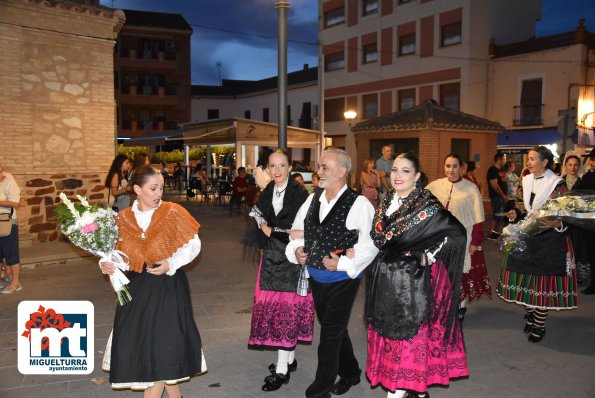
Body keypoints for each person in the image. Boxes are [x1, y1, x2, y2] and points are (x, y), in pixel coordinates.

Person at [365, 153, 468, 398]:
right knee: (394, 338)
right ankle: (419, 392)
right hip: (387, 278)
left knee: (410, 341)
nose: (398, 176)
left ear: (417, 176)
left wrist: (428, 255)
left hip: (415, 282)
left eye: (405, 171)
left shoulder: (426, 204)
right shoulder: (388, 199)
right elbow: (378, 238)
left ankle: (403, 389)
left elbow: (455, 233)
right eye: (394, 171)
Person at [99, 166, 205, 396]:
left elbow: (194, 245)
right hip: (136, 291)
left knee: (162, 349)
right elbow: (116, 256)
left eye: (161, 188)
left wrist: (171, 263)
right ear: (137, 189)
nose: (159, 193)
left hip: (168, 289)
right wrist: (106, 264)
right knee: (153, 351)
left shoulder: (173, 211)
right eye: (153, 188)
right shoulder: (122, 219)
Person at [286, 148, 379, 398]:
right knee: (334, 328)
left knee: (329, 333)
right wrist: (297, 250)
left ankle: (320, 390)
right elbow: (297, 230)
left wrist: (342, 265)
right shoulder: (312, 198)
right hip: (317, 276)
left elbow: (371, 244)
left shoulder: (359, 204)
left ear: (342, 171)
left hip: (343, 280)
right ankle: (350, 372)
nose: (319, 171)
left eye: (325, 167)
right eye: (319, 166)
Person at [498, 146, 578, 343]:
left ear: (545, 162)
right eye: (530, 159)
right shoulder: (524, 181)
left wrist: (559, 223)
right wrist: (514, 214)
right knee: (521, 280)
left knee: (543, 285)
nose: (529, 162)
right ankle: (532, 313)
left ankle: (539, 326)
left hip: (549, 240)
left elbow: (567, 213)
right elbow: (519, 206)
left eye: (534, 159)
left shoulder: (558, 185)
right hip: (527, 236)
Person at [248, 150, 313, 392]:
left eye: (282, 165)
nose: (277, 170)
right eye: (272, 166)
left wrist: (272, 231)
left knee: (288, 310)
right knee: (277, 309)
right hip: (272, 257)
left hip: (293, 257)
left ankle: (282, 369)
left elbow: (303, 229)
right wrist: (265, 227)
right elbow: (257, 214)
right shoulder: (268, 191)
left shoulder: (299, 193)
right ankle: (288, 359)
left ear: (289, 167)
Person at [427, 154, 491, 321]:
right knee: (441, 273)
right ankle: (444, 305)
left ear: (461, 168)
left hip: (464, 238)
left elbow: (478, 218)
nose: (451, 170)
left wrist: (475, 242)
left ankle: (460, 307)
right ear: (444, 167)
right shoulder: (435, 186)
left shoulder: (470, 188)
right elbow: (420, 201)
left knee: (460, 274)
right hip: (440, 239)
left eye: (455, 166)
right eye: (448, 166)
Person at [574, 148, 595, 294]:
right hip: (591, 223)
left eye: (593, 159)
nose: (591, 162)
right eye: (591, 159)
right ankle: (593, 283)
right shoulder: (588, 177)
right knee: (592, 253)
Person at [0, 162, 22, 294]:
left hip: (7, 222)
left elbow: (15, 202)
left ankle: (15, 283)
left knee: (10, 252)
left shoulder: (8, 180)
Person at [486, 153, 508, 239]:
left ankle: (495, 232)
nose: (505, 161)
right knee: (497, 214)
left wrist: (506, 195)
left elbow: (504, 182)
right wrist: (503, 195)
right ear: (499, 159)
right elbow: (494, 185)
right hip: (496, 196)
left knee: (500, 215)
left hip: (502, 197)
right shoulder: (492, 170)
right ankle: (491, 233)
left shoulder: (501, 170)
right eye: (504, 159)